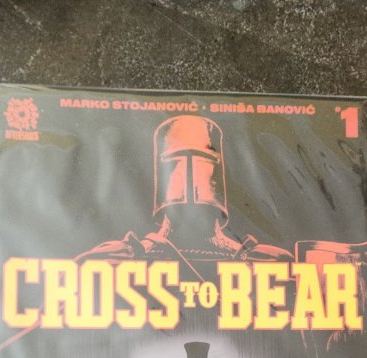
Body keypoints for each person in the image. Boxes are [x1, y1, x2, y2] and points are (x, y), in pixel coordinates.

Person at [76, 115, 292, 285]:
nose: (190, 176)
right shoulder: (115, 258)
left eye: (202, 161)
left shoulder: (266, 261)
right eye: (179, 163)